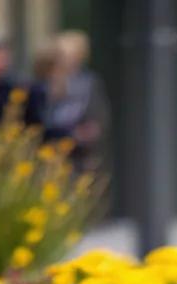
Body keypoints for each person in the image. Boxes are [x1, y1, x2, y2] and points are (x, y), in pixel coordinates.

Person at [34, 31, 110, 178]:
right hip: (49, 154)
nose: (67, 60)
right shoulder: (42, 85)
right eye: (62, 55)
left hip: (80, 157)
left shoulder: (89, 83)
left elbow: (99, 118)